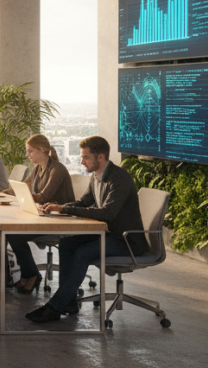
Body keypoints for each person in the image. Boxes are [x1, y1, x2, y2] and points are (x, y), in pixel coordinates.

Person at [27, 136, 147, 324]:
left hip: (126, 241)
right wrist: (57, 206)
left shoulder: (119, 179)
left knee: (83, 253)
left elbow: (108, 213)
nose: (81, 161)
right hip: (109, 234)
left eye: (85, 158)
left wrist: (65, 209)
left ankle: (55, 307)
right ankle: (70, 302)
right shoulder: (96, 176)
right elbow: (83, 202)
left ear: (100, 157)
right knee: (67, 244)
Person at [4, 134, 75, 294]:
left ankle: (31, 275)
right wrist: (2, 193)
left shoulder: (57, 169)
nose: (27, 154)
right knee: (9, 233)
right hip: (44, 216)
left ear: (43, 150)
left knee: (14, 235)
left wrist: (21, 194)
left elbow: (44, 197)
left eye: (30, 151)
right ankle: (30, 274)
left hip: (60, 220)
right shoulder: (37, 169)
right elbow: (24, 186)